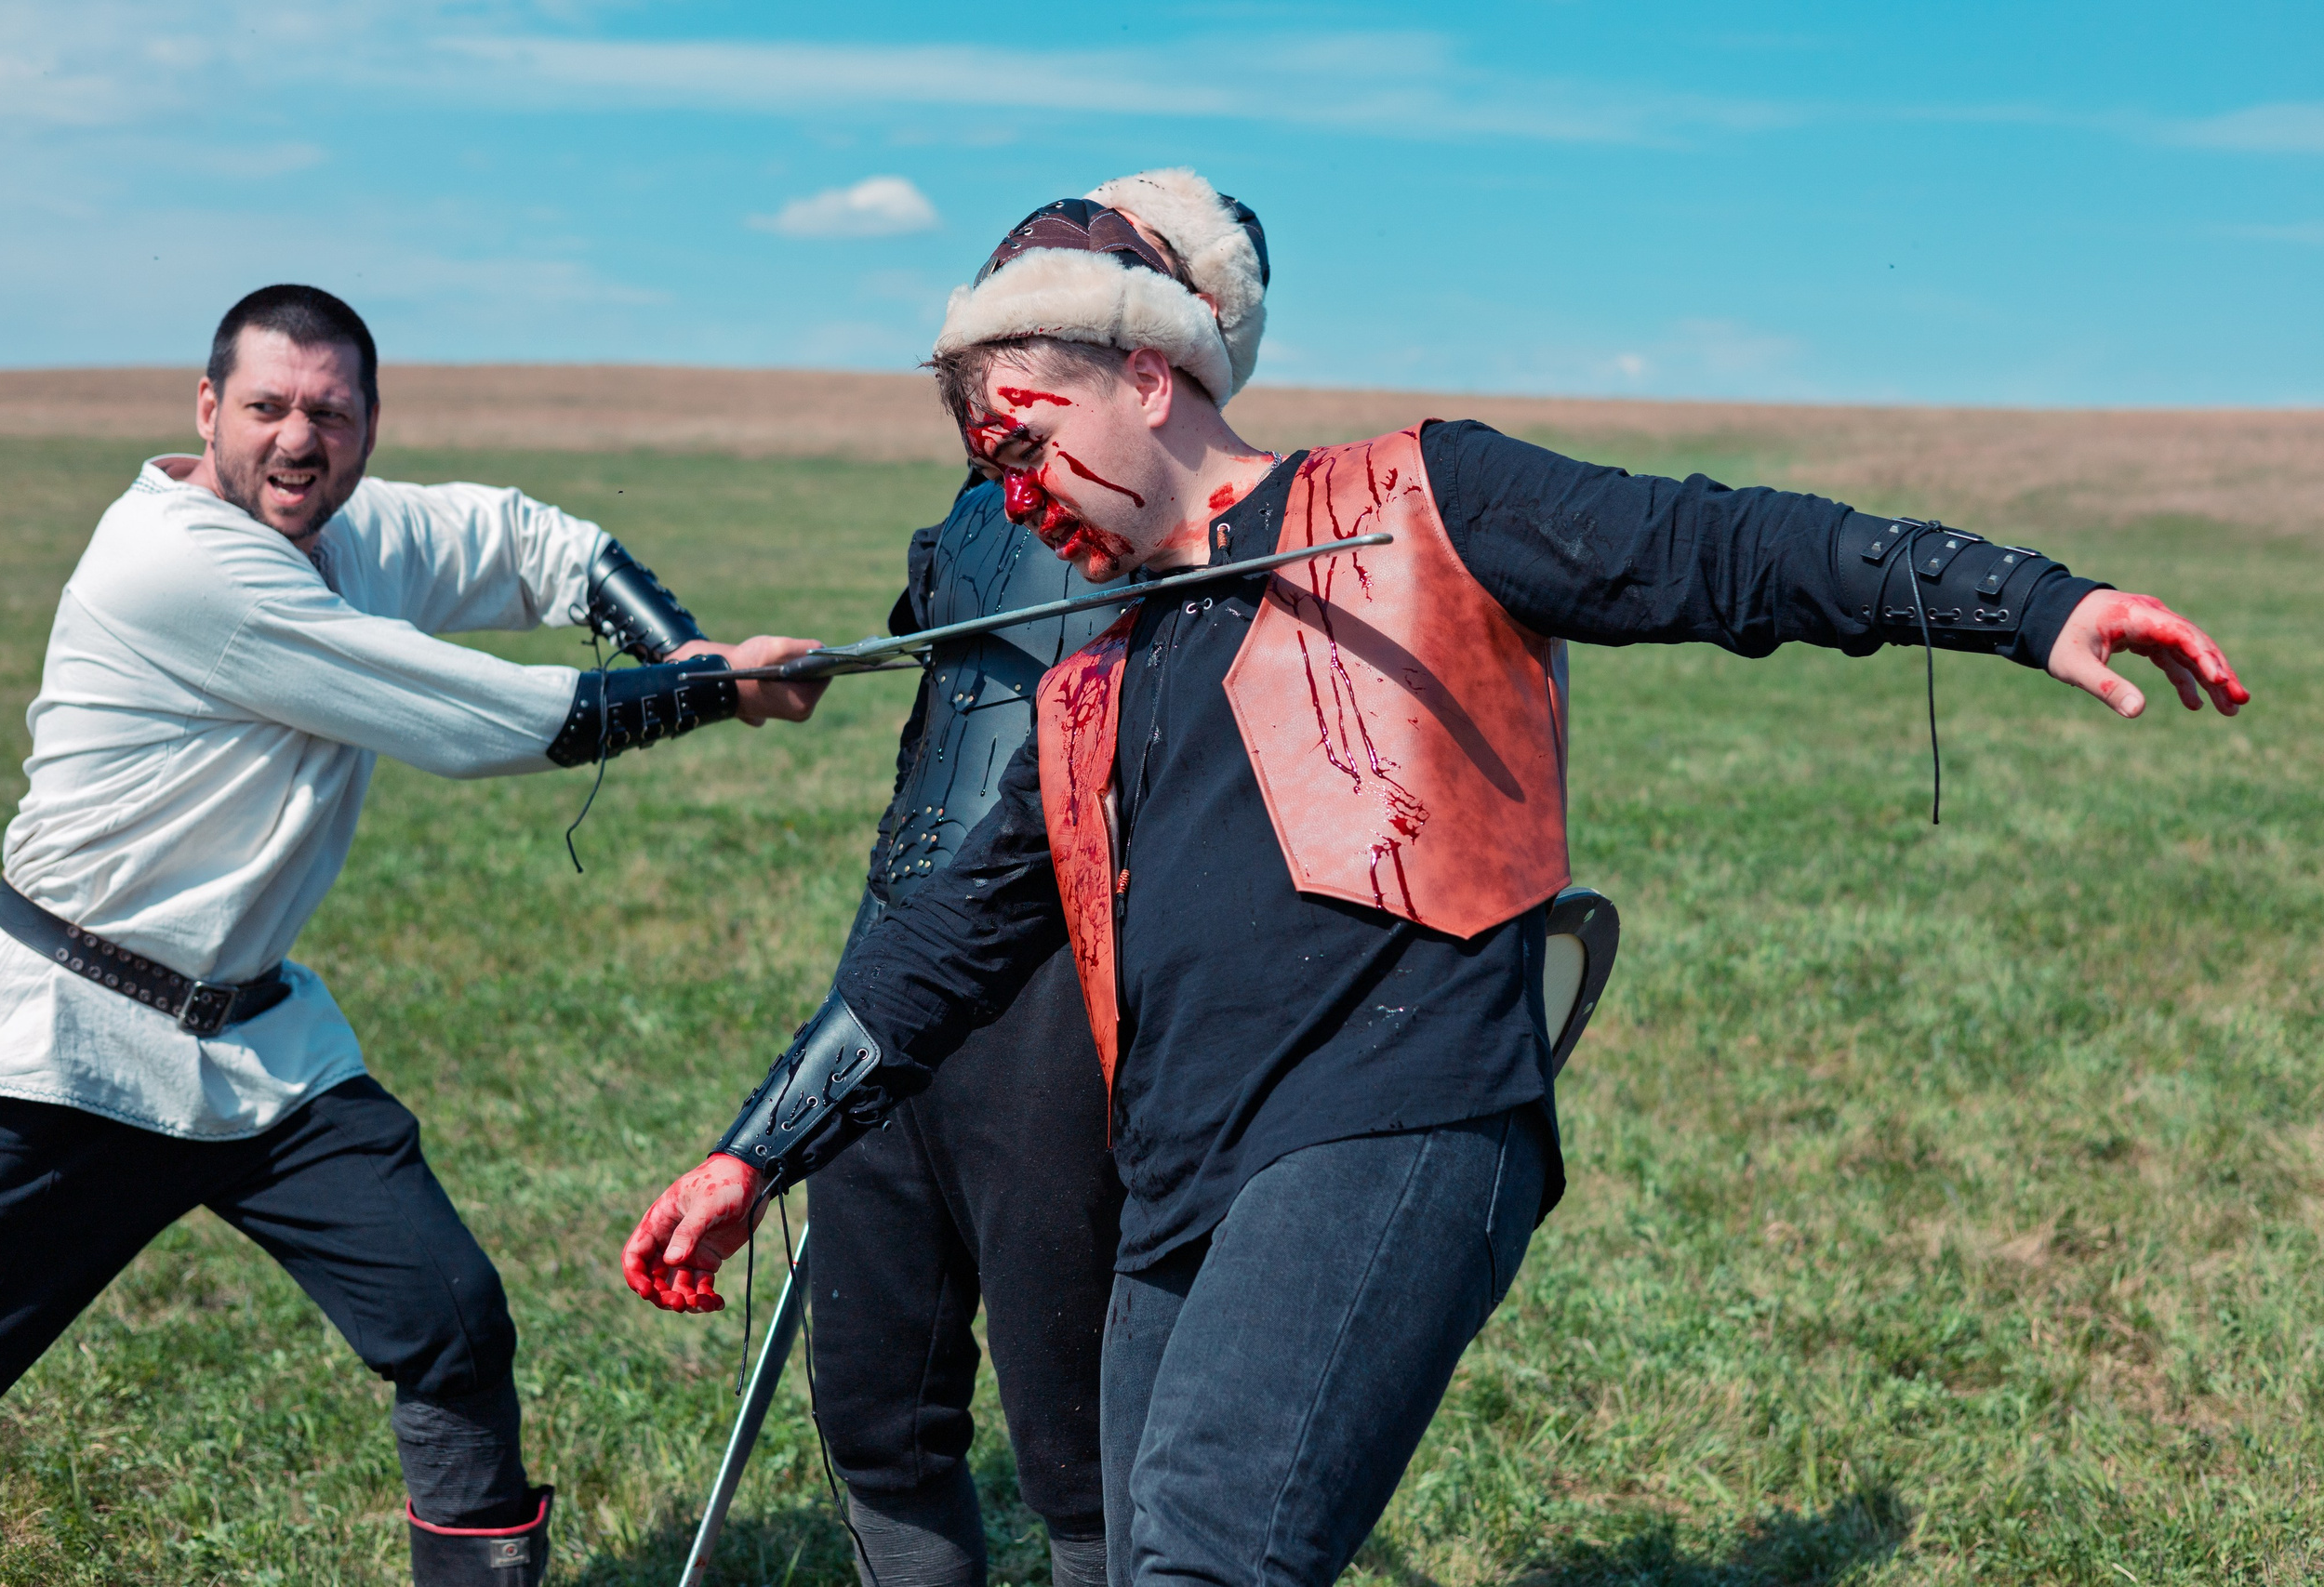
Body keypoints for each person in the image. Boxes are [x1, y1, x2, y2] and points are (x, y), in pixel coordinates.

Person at [622, 171, 2250, 1587]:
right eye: (983, 462)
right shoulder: (1094, 670)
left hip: (1394, 1127)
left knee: (1204, 1555)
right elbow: (952, 940)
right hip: (1178, 1180)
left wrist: (2031, 601)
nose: (1010, 491)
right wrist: (755, 1154)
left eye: (1022, 439)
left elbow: (1720, 549)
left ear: (1147, 369)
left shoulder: (1421, 500)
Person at [0, 284, 825, 1587]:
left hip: (259, 1050)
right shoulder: (180, 560)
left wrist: (674, 639)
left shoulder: (349, 524)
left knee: (450, 1317)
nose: (298, 439)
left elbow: (535, 540)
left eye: (330, 411)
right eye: (266, 408)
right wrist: (710, 691)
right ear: (206, 411)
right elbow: (473, 716)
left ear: (364, 423)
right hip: (67, 1039)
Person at [806, 469, 1135, 1587]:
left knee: (1082, 1446)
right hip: (894, 946)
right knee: (871, 1404)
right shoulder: (968, 507)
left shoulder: (1172, 501)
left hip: (1057, 986)